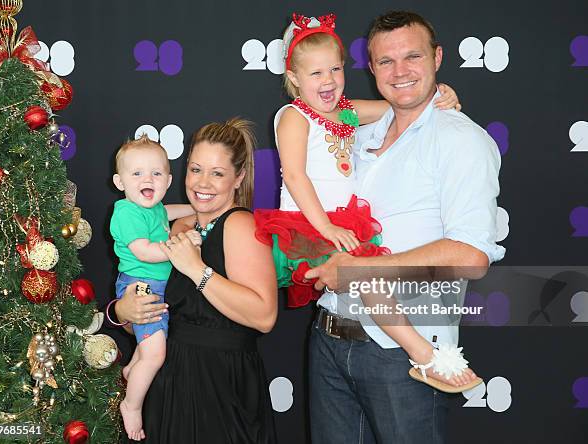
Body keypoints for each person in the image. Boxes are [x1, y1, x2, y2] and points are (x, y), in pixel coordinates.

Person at [304, 10, 505, 443]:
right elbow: (314, 109)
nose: (400, 72)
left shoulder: (461, 141)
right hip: (329, 337)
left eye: (412, 57)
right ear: (371, 69)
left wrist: (359, 271)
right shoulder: (358, 133)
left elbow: (470, 257)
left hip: (403, 354)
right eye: (385, 62)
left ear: (437, 57)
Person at [255, 13, 461, 309]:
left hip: (344, 220)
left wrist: (439, 94)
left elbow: (398, 104)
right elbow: (295, 177)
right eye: (316, 74)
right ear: (294, 79)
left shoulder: (347, 111)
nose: (328, 80)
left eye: (335, 69)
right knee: (361, 287)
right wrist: (326, 228)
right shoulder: (294, 116)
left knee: (364, 288)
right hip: (309, 223)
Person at [108, 118, 278, 443]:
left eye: (217, 173)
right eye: (196, 169)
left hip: (221, 388)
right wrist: (122, 312)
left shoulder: (240, 225)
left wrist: (196, 269)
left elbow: (265, 316)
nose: (203, 182)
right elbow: (150, 316)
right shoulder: (174, 226)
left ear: (238, 177)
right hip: (168, 382)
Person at [110, 136, 196, 441]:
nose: (148, 179)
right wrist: (180, 245)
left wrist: (193, 208)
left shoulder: (153, 207)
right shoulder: (126, 213)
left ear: (168, 179)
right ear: (120, 182)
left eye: (156, 174)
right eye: (137, 174)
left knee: (150, 349)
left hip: (158, 287)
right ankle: (131, 406)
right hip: (140, 287)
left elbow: (167, 212)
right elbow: (145, 251)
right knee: (156, 354)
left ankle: (133, 369)